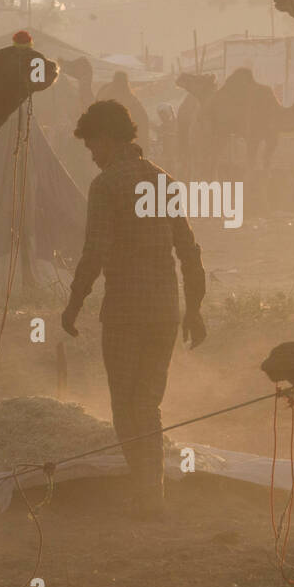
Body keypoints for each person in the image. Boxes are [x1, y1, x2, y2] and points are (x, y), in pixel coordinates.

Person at [62, 100, 207, 518]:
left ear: (106, 140)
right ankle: (151, 492)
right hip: (166, 312)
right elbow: (190, 250)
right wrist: (193, 309)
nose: (92, 156)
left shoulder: (107, 186)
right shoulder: (163, 181)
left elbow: (95, 251)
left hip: (125, 313)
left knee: (126, 407)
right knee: (148, 403)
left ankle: (147, 494)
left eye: (92, 147)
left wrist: (73, 303)